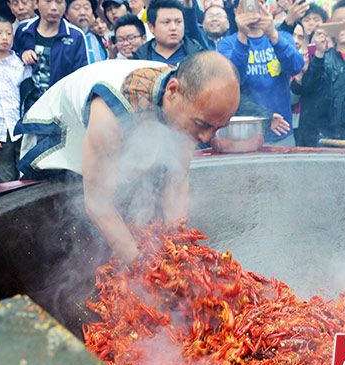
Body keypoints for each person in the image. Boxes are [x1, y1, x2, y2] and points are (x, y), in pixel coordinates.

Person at [15, 52, 240, 263]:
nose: (206, 137)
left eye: (217, 128)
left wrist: (178, 248)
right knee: (66, 223)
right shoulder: (110, 115)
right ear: (172, 91)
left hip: (116, 139)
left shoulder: (191, 103)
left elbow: (177, 180)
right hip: (59, 143)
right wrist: (140, 265)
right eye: (202, 125)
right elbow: (97, 202)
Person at [291, 0, 345, 145]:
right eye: (338, 22)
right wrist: (319, 53)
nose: (343, 26)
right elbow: (308, 90)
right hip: (324, 140)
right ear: (330, 24)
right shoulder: (322, 56)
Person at [218, 2, 304, 145]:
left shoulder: (282, 36)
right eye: (247, 5)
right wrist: (242, 36)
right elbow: (231, 81)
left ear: (266, 8)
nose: (253, 9)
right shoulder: (227, 44)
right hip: (245, 135)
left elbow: (296, 66)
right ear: (235, 11)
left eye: (258, 4)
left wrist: (273, 35)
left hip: (282, 133)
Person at [0, 16, 31, 183]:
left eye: (9, 33)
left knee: (27, 177)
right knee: (4, 181)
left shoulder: (21, 64)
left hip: (21, 129)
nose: (5, 37)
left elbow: (29, 96)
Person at [14, 0, 89, 111]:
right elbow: (8, 60)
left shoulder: (76, 36)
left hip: (58, 110)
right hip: (24, 107)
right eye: (48, 1)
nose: (54, 7)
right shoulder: (24, 29)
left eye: (59, 2)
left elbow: (82, 78)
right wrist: (22, 55)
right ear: (36, 3)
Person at [133, 0, 204, 65]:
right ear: (151, 27)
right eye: (166, 22)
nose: (173, 27)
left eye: (178, 22)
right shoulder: (139, 59)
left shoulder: (198, 56)